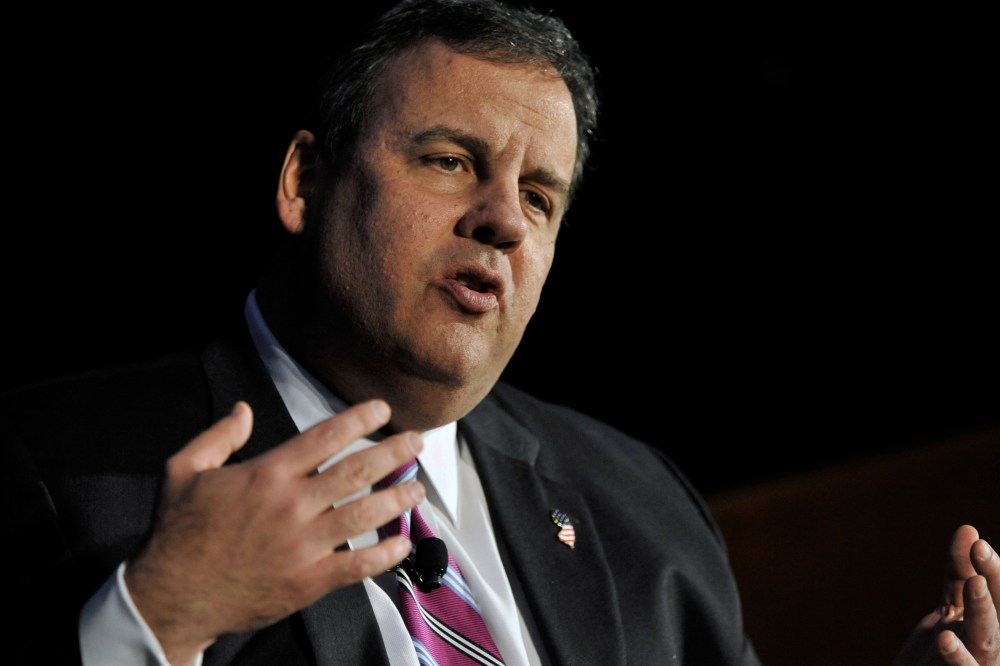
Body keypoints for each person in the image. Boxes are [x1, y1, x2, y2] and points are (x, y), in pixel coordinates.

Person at [1, 0, 996, 664]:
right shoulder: (53, 467)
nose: (503, 221)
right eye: (448, 161)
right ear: (305, 180)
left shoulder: (638, 504)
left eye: (541, 196)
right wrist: (160, 617)